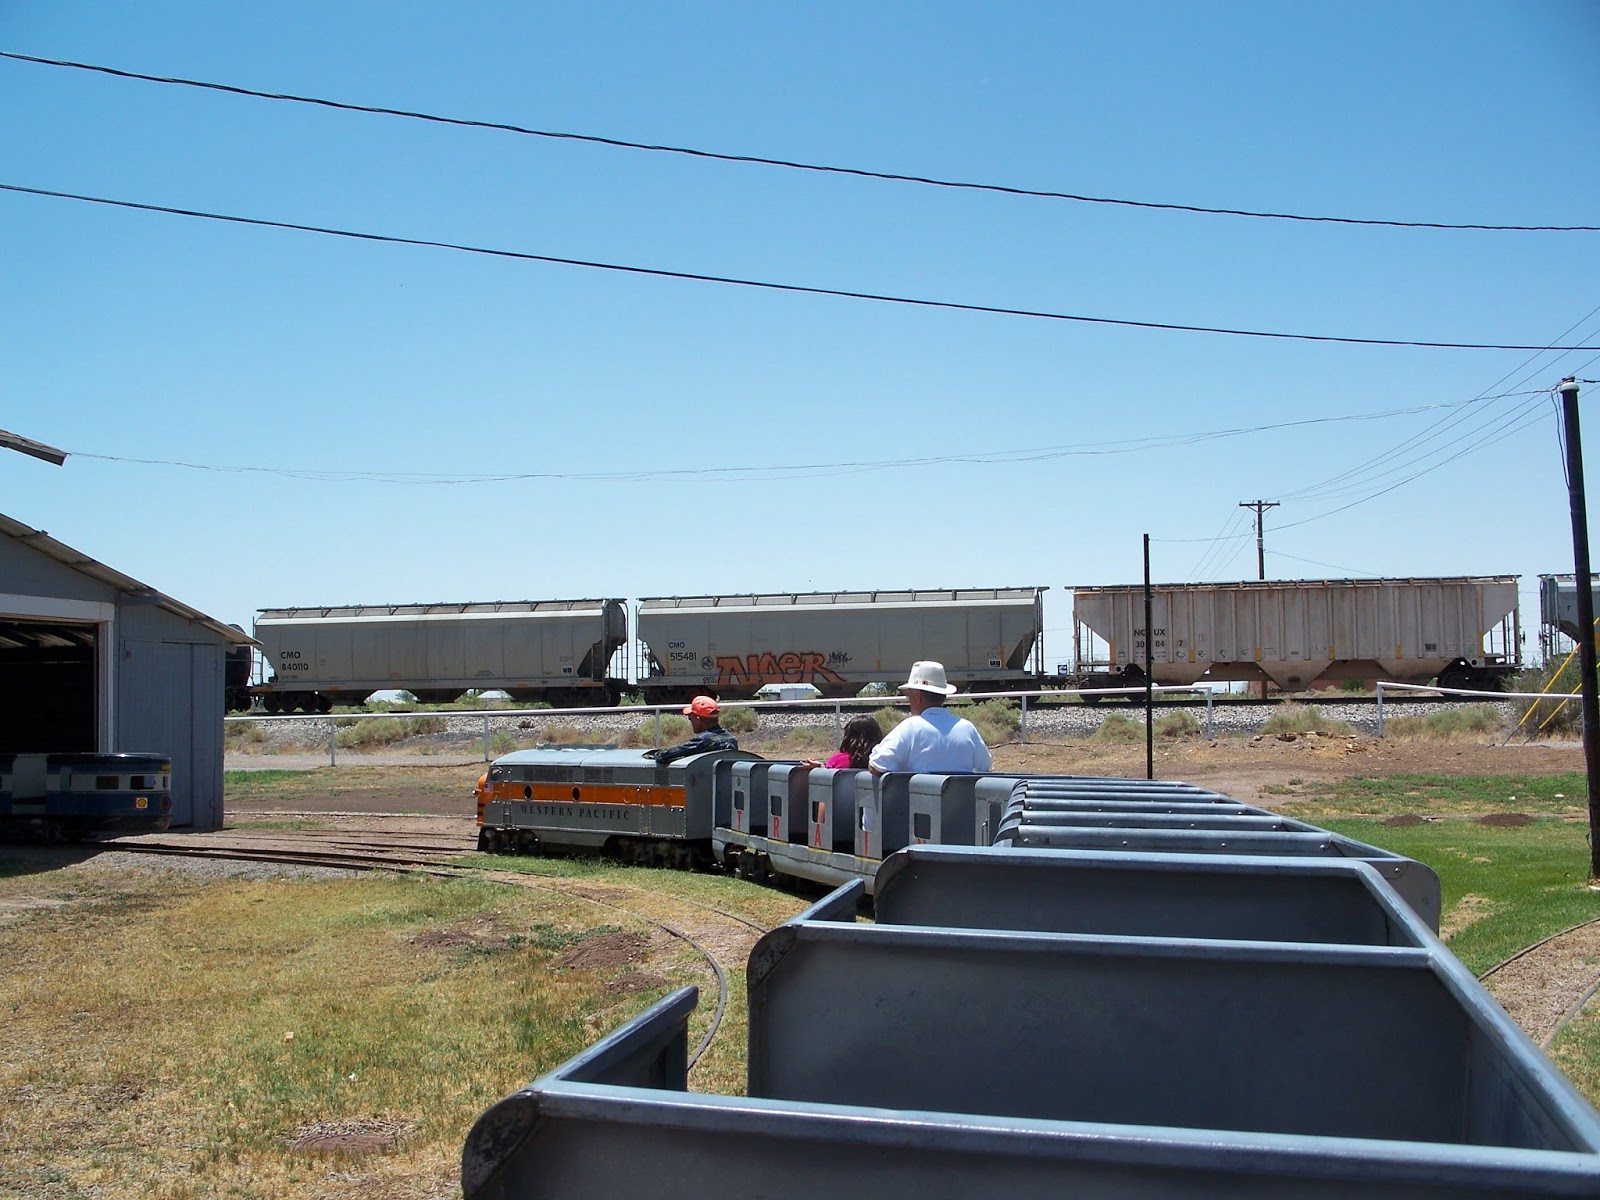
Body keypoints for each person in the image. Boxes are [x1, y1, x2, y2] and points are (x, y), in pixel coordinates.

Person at [868, 661, 992, 774]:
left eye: (908, 695)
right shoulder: (967, 728)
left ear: (918, 696)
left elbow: (877, 765)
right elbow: (985, 765)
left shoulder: (911, 727)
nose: (908, 700)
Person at [649, 695, 737, 765]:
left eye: (690, 718)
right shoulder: (731, 738)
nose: (691, 722)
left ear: (698, 720)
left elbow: (666, 756)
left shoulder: (703, 741)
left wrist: (657, 754)